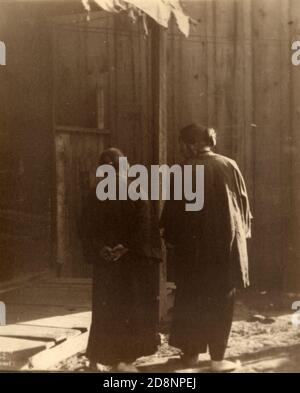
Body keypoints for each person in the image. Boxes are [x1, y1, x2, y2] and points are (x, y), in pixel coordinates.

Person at [160, 124, 252, 372]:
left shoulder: (183, 170)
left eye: (182, 144)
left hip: (194, 254)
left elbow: (173, 216)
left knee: (190, 301)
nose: (181, 150)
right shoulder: (229, 165)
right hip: (225, 252)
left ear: (191, 144)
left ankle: (190, 358)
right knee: (221, 303)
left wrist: (171, 239)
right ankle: (218, 361)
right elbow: (243, 210)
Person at [81, 148, 162, 372]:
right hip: (131, 262)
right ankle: (123, 361)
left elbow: (85, 227)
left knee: (105, 308)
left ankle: (96, 359)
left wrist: (101, 248)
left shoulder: (95, 192)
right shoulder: (136, 189)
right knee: (129, 308)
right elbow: (145, 224)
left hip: (106, 262)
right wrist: (125, 247)